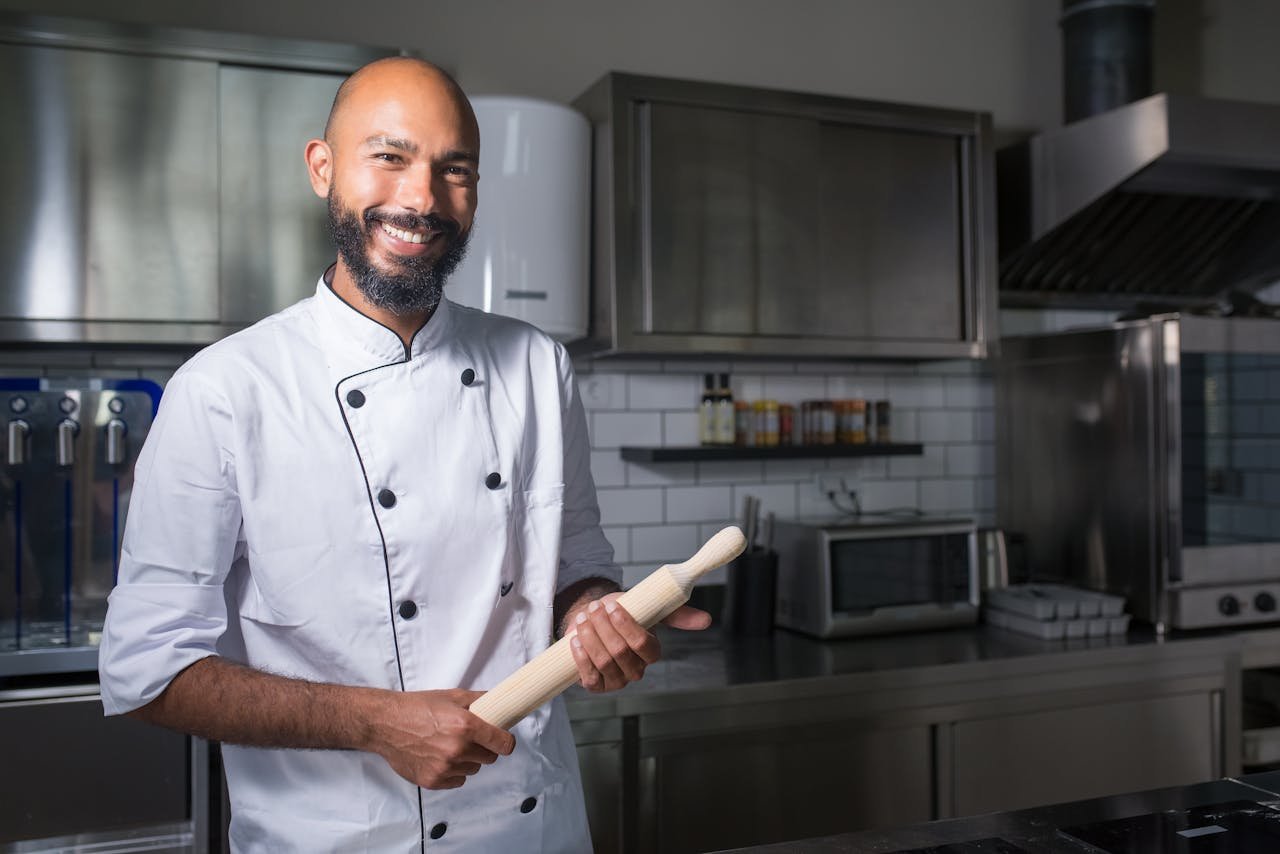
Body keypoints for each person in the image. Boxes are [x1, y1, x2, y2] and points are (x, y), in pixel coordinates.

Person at [98, 56, 709, 853]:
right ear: (323, 168)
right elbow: (146, 669)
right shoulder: (223, 390)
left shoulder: (536, 366)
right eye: (389, 157)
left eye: (454, 170)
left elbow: (573, 559)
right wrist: (377, 722)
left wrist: (591, 613)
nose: (421, 200)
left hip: (531, 830)